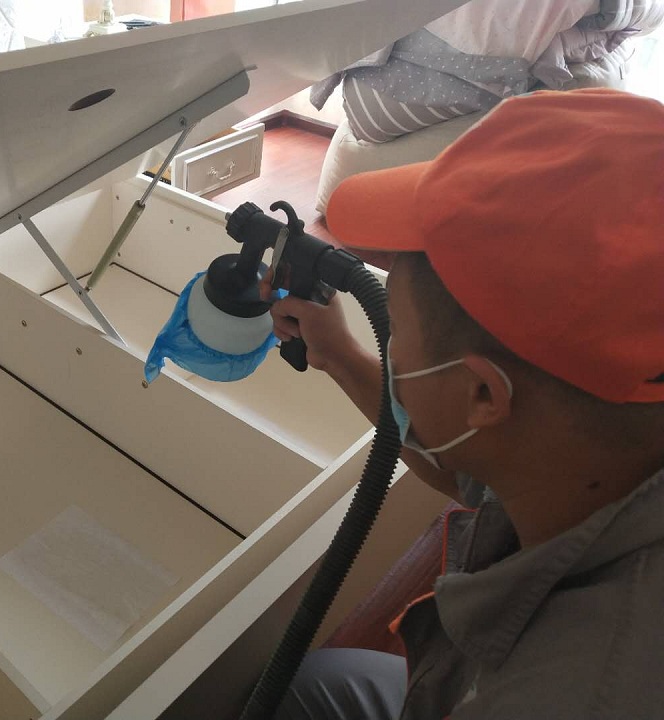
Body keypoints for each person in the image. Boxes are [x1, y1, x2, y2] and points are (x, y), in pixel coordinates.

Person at [263, 88, 664, 719]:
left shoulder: (568, 693)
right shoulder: (596, 440)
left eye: (394, 325)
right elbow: (474, 474)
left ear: (482, 393)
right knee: (318, 685)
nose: (389, 339)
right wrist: (338, 353)